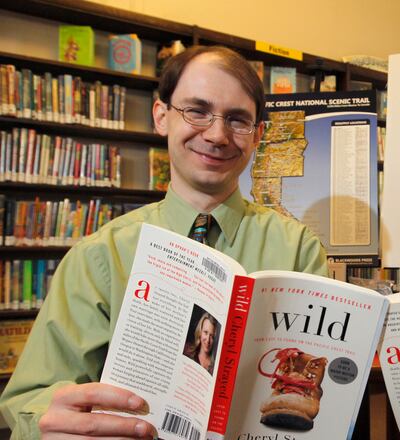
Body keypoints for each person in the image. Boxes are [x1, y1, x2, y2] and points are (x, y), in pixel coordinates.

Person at [0, 45, 328, 439]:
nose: (217, 134)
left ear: (258, 135)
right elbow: (33, 398)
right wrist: (50, 423)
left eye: (238, 120)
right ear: (161, 117)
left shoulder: (298, 249)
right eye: (197, 111)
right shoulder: (100, 256)